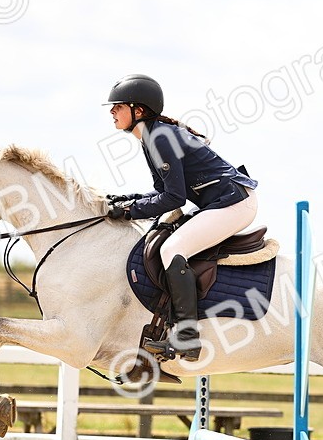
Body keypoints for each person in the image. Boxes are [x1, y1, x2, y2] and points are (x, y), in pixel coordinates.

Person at [103, 74, 258, 361]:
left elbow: (174, 199)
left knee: (172, 248)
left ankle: (186, 337)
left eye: (118, 106)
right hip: (221, 202)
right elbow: (161, 190)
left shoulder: (160, 137)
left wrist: (129, 212)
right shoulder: (152, 137)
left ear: (138, 110)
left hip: (234, 203)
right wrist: (128, 201)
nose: (112, 112)